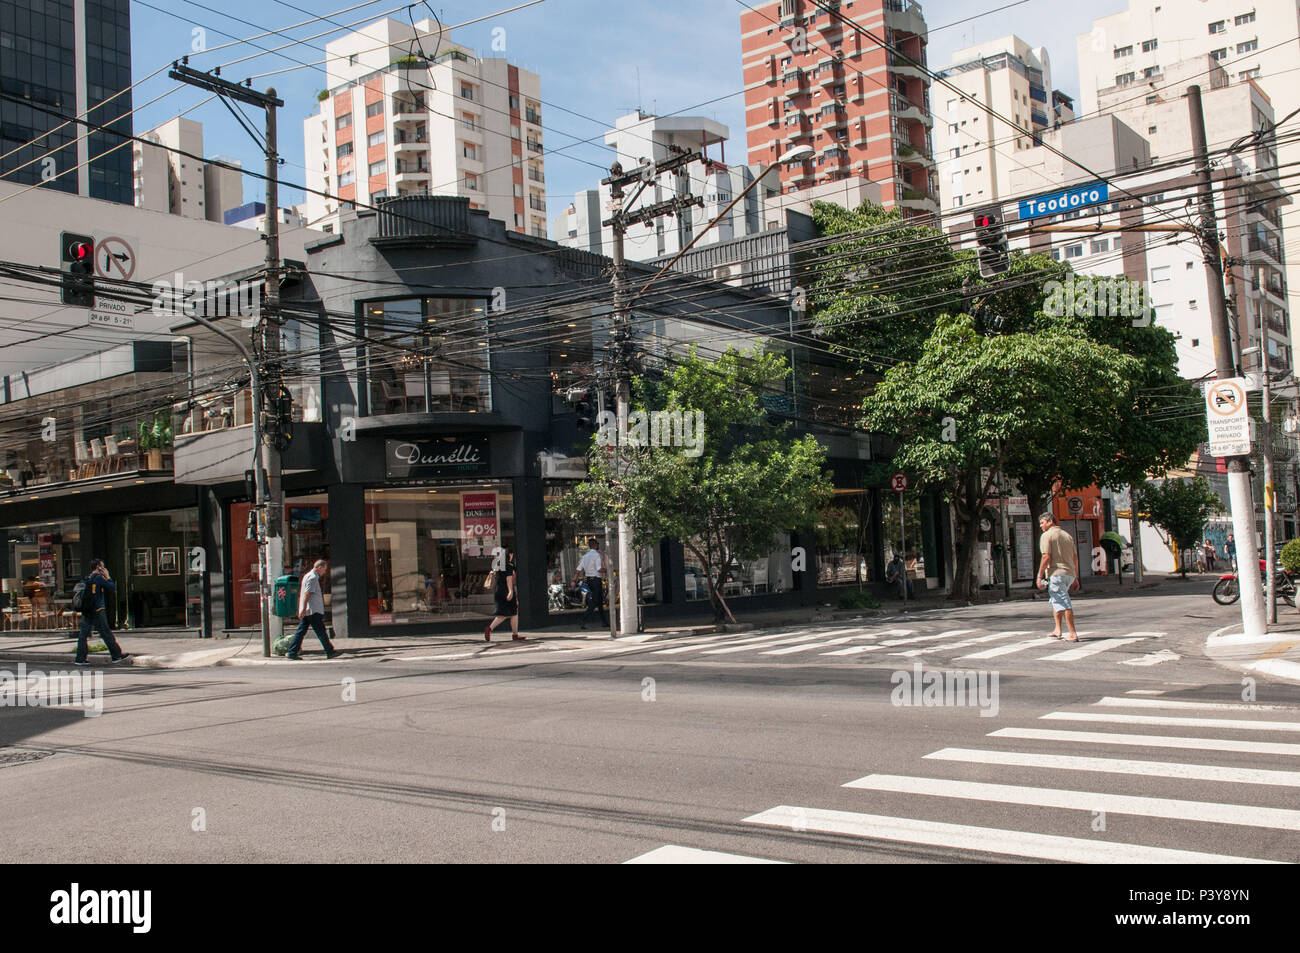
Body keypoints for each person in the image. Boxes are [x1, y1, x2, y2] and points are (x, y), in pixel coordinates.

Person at [74, 559, 130, 666]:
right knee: (106, 633)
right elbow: (112, 588)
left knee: (83, 635)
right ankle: (116, 655)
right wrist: (108, 576)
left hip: (87, 611)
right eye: (102, 567)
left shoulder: (87, 578)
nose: (104, 569)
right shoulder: (99, 578)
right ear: (99, 567)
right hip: (98, 610)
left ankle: (80, 658)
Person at [1036, 513, 1081, 641]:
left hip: (1056, 574)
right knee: (1057, 600)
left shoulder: (1047, 535)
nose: (1041, 526)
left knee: (1063, 601)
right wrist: (1075, 576)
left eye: (1042, 522)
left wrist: (1039, 576)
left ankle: (1072, 633)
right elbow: (1075, 557)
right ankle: (1057, 629)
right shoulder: (1067, 535)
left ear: (1050, 521)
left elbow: (1046, 556)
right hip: (1069, 573)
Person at [286, 559, 340, 660]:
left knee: (301, 631)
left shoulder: (307, 576)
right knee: (320, 631)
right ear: (319, 567)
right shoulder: (313, 577)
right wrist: (302, 609)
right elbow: (307, 593)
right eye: (324, 569)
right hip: (312, 610)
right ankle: (330, 651)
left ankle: (292, 652)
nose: (324, 572)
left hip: (308, 609)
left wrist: (302, 608)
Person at [484, 551, 523, 641]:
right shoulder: (509, 565)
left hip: (498, 591)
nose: (512, 556)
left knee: (511, 613)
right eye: (511, 554)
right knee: (508, 613)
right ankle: (490, 629)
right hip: (506, 591)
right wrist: (510, 591)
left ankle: (515, 634)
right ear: (509, 555)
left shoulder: (498, 565)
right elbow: (508, 579)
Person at [573, 537, 608, 629]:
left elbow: (578, 570)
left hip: (589, 580)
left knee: (600, 602)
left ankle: (604, 622)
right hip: (596, 580)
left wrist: (573, 580)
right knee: (595, 601)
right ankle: (583, 619)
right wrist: (607, 570)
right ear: (595, 545)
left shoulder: (585, 557)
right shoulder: (596, 555)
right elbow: (599, 569)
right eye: (598, 545)